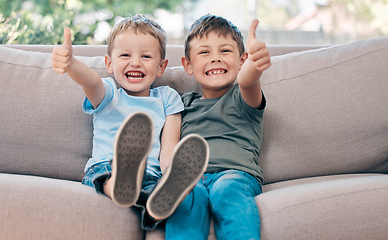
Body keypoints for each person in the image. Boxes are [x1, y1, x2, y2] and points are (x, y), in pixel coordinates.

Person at [51, 14, 209, 230]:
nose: (135, 62)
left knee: (161, 195)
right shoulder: (109, 93)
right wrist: (71, 65)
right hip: (106, 165)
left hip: (151, 173)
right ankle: (120, 184)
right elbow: (90, 82)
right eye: (125, 55)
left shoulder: (167, 98)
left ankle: (153, 208)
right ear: (109, 63)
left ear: (161, 67)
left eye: (146, 56)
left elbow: (169, 147)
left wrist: (172, 173)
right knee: (106, 176)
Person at [165, 14, 271, 240]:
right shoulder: (182, 104)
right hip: (190, 178)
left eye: (225, 51)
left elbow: (248, 81)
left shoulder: (242, 98)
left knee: (227, 191)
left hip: (235, 175)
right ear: (188, 65)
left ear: (241, 61)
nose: (215, 58)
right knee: (186, 198)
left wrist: (255, 63)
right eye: (204, 52)